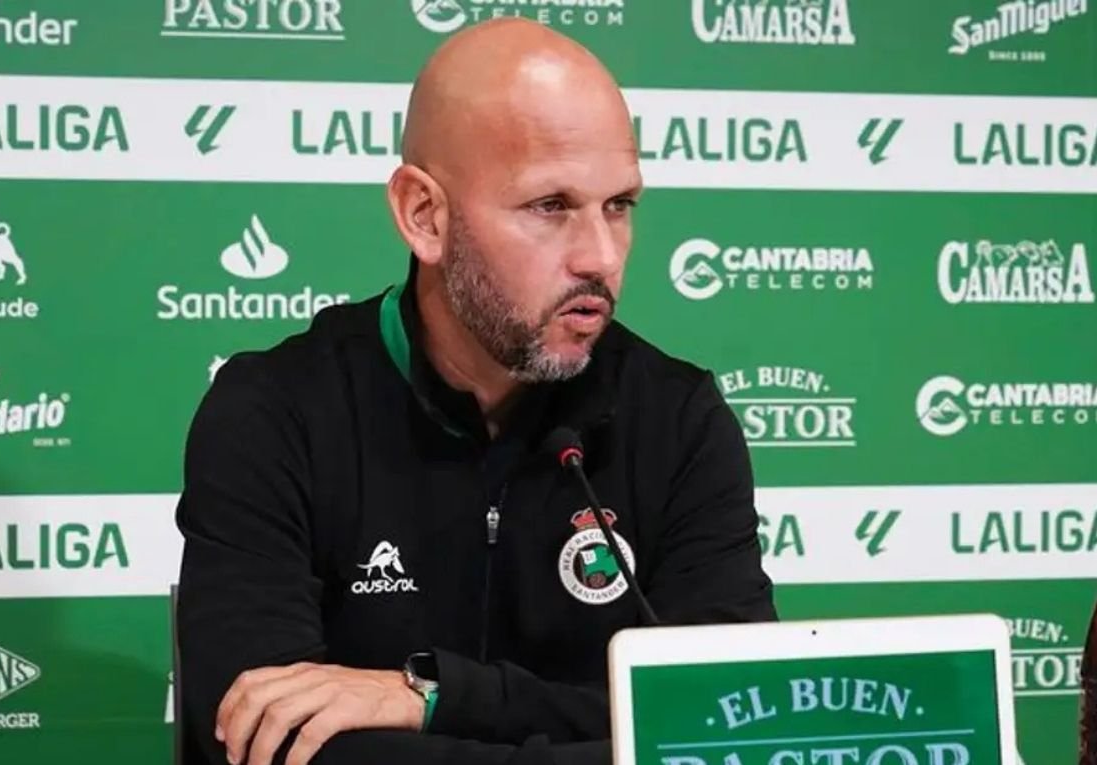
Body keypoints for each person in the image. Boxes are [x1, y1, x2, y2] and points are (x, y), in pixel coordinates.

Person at [175, 17, 776, 765]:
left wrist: (434, 696)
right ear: (424, 216)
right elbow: (265, 738)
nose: (601, 256)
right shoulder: (274, 412)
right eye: (550, 206)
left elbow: (730, 722)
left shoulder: (679, 419)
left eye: (619, 205)